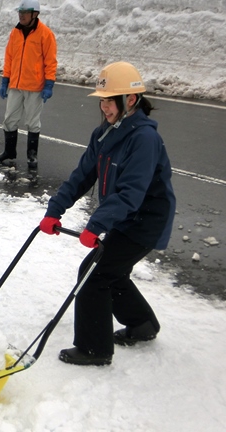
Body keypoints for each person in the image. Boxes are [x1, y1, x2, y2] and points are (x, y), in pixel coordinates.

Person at [38, 62, 176, 366]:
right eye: (101, 100)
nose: (104, 106)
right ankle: (142, 325)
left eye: (109, 100)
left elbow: (131, 192)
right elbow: (82, 175)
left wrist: (97, 224)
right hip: (128, 216)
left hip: (146, 219)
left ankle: (94, 349)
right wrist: (54, 210)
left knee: (94, 275)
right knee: (111, 271)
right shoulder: (104, 134)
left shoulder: (143, 139)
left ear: (130, 99)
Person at [0, 0, 57, 171]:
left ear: (35, 14)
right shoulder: (15, 33)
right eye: (20, 12)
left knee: (32, 122)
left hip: (35, 86)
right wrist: (5, 80)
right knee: (9, 119)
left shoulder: (45, 34)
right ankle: (9, 152)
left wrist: (49, 84)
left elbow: (50, 61)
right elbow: (9, 58)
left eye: (25, 13)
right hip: (15, 84)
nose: (21, 16)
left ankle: (32, 155)